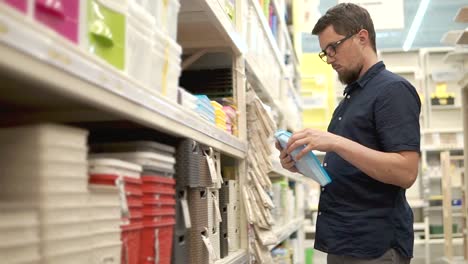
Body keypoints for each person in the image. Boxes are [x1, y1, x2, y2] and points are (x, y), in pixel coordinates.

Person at [276, 3, 420, 264]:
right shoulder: (351, 99)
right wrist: (305, 166)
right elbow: (354, 172)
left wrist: (336, 142)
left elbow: (406, 172)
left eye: (334, 47)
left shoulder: (393, 90)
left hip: (374, 247)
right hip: (344, 241)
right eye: (324, 52)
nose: (329, 57)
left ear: (362, 38)